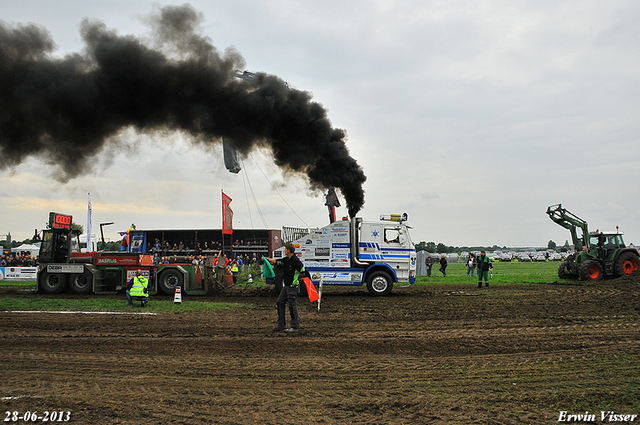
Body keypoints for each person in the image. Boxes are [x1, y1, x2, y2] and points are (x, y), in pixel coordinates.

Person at [266, 243, 306, 333]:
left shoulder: (295, 261)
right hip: (286, 286)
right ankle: (281, 324)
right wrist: (267, 260)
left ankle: (294, 326)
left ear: (288, 250)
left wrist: (297, 278)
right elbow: (277, 261)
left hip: (293, 287)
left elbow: (302, 271)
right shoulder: (287, 260)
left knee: (292, 306)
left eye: (285, 249)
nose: (284, 251)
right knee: (280, 302)